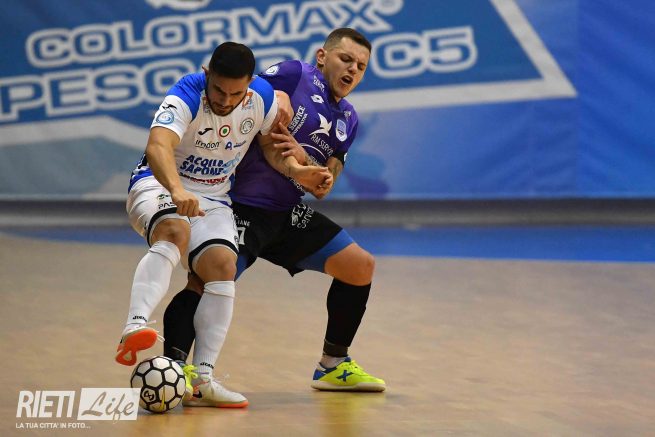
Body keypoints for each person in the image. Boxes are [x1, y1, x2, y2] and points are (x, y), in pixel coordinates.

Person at [163, 28, 386, 398]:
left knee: (360, 266)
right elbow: (245, 93)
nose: (352, 69)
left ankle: (333, 365)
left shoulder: (348, 118)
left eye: (361, 66)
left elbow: (327, 179)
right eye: (346, 59)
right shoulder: (294, 74)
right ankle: (175, 368)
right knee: (206, 280)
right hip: (239, 206)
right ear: (322, 57)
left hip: (286, 212)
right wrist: (274, 93)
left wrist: (313, 168)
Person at [116, 41, 330, 408]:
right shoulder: (186, 92)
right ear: (207, 74)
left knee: (222, 266)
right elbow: (158, 147)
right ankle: (134, 326)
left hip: (213, 197)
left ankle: (203, 379)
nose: (226, 100)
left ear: (249, 84)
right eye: (218, 90)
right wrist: (177, 189)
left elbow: (270, 147)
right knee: (175, 230)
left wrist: (298, 172)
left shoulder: (261, 98)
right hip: (159, 183)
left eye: (235, 93)